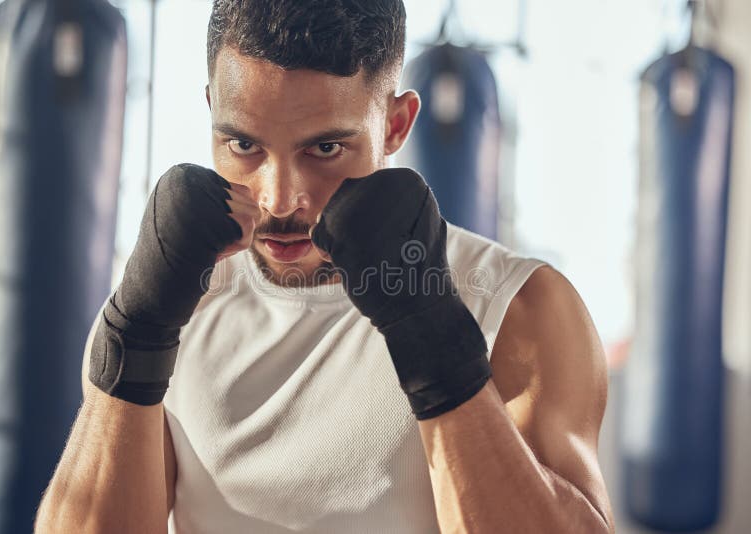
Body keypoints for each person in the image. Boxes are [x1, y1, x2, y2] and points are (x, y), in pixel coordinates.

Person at [35, 1, 614, 532]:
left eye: (325, 149)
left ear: (394, 125)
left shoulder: (517, 307)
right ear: (212, 107)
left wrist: (439, 347)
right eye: (244, 146)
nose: (280, 200)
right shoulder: (174, 302)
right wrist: (136, 331)